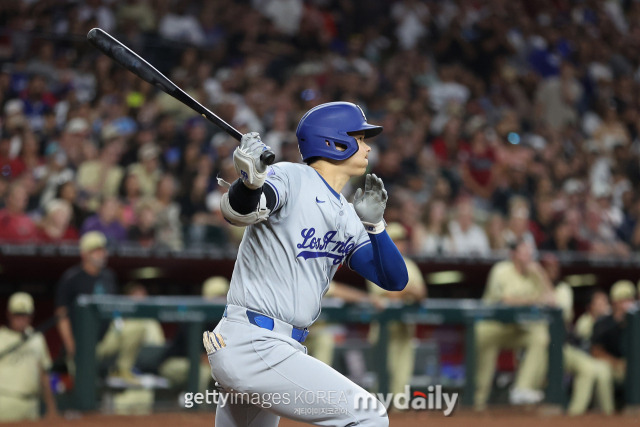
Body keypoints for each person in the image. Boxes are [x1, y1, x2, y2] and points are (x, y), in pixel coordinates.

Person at [204, 102, 408, 426]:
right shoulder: (290, 176)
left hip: (273, 347)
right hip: (255, 342)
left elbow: (394, 279)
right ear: (334, 142)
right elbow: (238, 211)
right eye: (360, 137)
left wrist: (377, 228)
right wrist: (250, 183)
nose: (368, 146)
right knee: (369, 416)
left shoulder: (347, 213)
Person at [474, 238, 555, 410]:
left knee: (539, 337)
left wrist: (541, 273)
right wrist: (534, 300)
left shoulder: (534, 275)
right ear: (513, 254)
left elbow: (552, 301)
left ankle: (522, 388)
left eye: (530, 252)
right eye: (524, 252)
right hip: (491, 328)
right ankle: (474, 411)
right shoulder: (501, 270)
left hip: (515, 330)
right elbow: (506, 300)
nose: (528, 256)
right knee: (481, 383)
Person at [541, 255, 614, 415]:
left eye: (555, 268)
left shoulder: (563, 289)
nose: (552, 271)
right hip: (540, 345)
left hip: (564, 347)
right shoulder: (585, 321)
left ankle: (576, 416)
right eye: (548, 267)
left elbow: (564, 316)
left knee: (592, 370)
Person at [367, 222, 427, 397]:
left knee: (402, 381)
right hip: (384, 330)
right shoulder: (374, 262)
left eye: (402, 240)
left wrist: (402, 290)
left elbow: (422, 294)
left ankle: (399, 416)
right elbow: (386, 296)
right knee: (383, 380)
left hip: (405, 328)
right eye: (396, 240)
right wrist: (408, 290)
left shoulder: (410, 264)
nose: (400, 244)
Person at [0, 292, 58, 421]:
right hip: (4, 402)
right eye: (17, 314)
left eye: (25, 314)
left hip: (32, 405)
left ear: (31, 316)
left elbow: (44, 375)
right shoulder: (0, 337)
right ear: (9, 314)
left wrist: (51, 407)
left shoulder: (37, 338)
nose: (21, 319)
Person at [591, 280, 637, 400]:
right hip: (612, 364)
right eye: (622, 300)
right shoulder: (603, 323)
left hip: (632, 365)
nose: (626, 304)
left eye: (630, 299)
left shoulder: (636, 323)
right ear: (614, 302)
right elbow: (596, 351)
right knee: (603, 373)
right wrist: (616, 363)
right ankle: (607, 413)